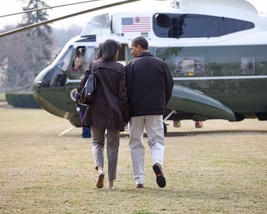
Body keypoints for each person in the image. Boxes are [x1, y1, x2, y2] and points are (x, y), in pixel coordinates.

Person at [78, 39, 129, 190]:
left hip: (95, 111)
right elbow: (123, 95)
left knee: (97, 143)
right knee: (113, 146)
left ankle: (100, 170)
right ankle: (111, 183)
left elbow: (82, 87)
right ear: (114, 51)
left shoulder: (93, 65)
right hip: (114, 112)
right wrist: (125, 116)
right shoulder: (121, 68)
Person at [126, 36, 174, 188]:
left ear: (139, 47)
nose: (131, 51)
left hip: (135, 112)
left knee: (135, 143)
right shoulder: (162, 64)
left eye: (132, 48)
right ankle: (157, 163)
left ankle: (139, 180)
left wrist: (128, 109)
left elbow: (126, 90)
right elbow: (169, 86)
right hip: (156, 110)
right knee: (157, 141)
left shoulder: (131, 65)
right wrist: (161, 104)